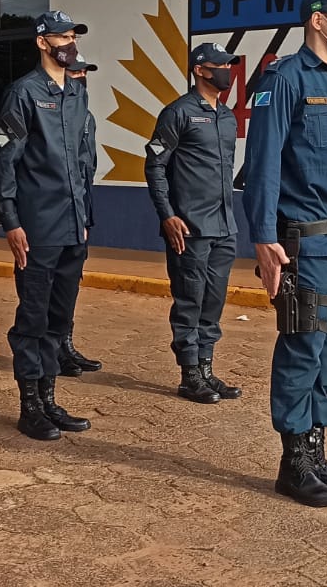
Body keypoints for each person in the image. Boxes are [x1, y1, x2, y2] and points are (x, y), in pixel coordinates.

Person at [244, 0, 327, 508]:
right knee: (302, 349)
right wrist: (263, 239)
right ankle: (293, 462)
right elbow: (262, 165)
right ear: (318, 21)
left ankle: (317, 452)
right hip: (306, 245)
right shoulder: (284, 79)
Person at [0, 11, 94, 441]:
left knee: (59, 318)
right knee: (33, 319)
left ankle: (50, 398)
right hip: (37, 226)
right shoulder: (23, 93)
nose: (69, 43)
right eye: (61, 37)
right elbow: (5, 161)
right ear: (42, 42)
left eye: (72, 36)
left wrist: (84, 216)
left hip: (72, 225)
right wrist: (11, 221)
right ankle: (30, 406)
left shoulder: (76, 91)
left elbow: (82, 161)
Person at [144, 44, 243, 405]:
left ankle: (206, 369)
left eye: (229, 66)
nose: (227, 72)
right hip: (190, 228)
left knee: (213, 303)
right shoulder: (178, 113)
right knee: (190, 301)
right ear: (200, 70)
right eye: (221, 66)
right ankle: (189, 376)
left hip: (224, 226)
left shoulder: (227, 116)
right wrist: (167, 215)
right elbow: (155, 166)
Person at [55, 60, 103, 377]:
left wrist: (84, 217)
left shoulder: (87, 117)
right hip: (52, 213)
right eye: (75, 72)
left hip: (79, 211)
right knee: (51, 286)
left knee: (70, 284)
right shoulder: (49, 115)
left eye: (84, 73)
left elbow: (88, 169)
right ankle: (51, 349)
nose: (81, 78)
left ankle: (66, 344)